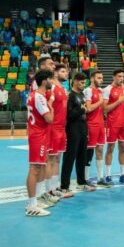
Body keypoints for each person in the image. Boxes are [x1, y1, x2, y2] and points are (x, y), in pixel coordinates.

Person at [25, 69, 54, 217]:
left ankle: (35, 201)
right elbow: (49, 119)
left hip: (39, 134)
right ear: (44, 81)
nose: (52, 82)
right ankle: (31, 205)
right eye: (51, 79)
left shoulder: (34, 95)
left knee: (40, 166)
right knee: (35, 168)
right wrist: (51, 106)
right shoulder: (39, 97)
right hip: (38, 136)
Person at [61, 73, 95, 194]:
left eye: (84, 82)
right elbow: (69, 115)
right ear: (75, 81)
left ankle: (81, 182)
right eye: (81, 82)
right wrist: (82, 109)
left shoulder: (81, 95)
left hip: (82, 127)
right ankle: (64, 186)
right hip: (73, 128)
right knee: (70, 157)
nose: (83, 84)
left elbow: (84, 111)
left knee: (82, 156)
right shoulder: (70, 95)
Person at [47, 64, 71, 199]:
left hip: (62, 129)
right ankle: (48, 191)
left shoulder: (63, 89)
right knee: (50, 160)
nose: (66, 73)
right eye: (63, 71)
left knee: (57, 159)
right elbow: (48, 106)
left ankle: (55, 188)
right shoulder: (53, 88)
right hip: (53, 128)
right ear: (55, 74)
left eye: (66, 71)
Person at [83, 71, 111, 187]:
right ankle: (85, 178)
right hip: (91, 125)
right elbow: (88, 108)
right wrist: (100, 102)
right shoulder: (88, 91)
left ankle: (100, 178)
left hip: (100, 125)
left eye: (102, 78)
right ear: (92, 78)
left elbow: (103, 108)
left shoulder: (100, 91)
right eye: (99, 78)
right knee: (89, 151)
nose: (101, 80)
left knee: (100, 150)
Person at [103, 69, 124, 184]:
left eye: (122, 77)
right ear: (114, 77)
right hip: (112, 124)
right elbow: (105, 109)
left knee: (123, 149)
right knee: (110, 148)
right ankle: (108, 174)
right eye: (119, 76)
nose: (121, 78)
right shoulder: (107, 90)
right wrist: (119, 101)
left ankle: (123, 174)